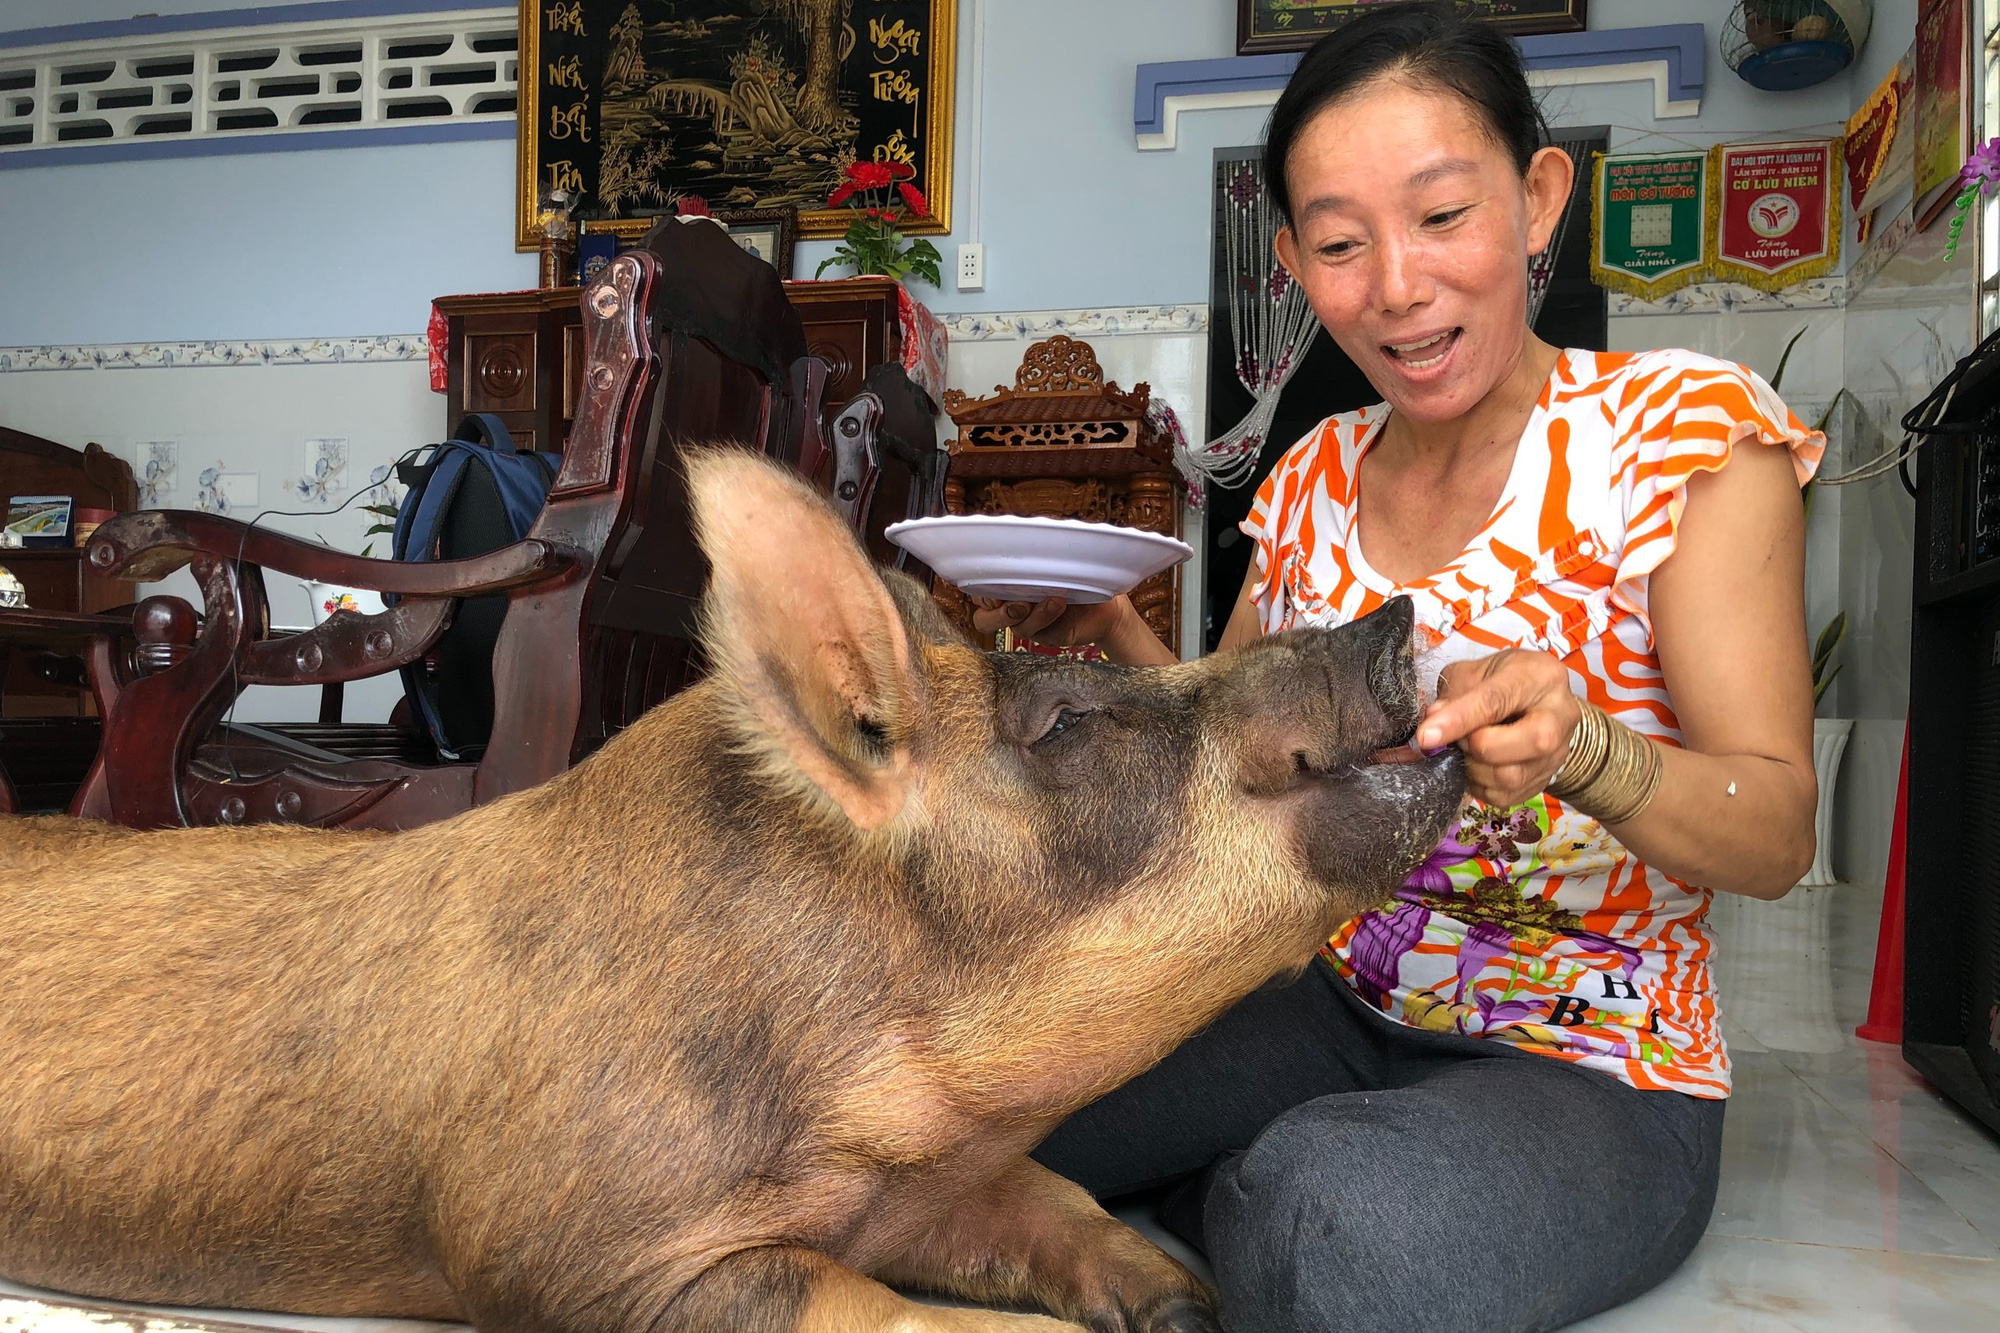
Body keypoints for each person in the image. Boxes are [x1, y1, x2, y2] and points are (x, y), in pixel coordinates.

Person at [974, 5, 1823, 1331]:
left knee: (1338, 1234)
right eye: (1339, 242)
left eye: (1442, 216)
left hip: (1591, 1061)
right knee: (976, 1097)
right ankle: (1250, 1172)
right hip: (1320, 994)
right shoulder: (1310, 477)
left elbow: (1774, 829)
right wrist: (1115, 651)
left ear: (1540, 198)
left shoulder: (1683, 441)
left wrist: (1588, 749)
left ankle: (1260, 1182)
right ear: (1297, 263)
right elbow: (1223, 753)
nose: (1399, 288)